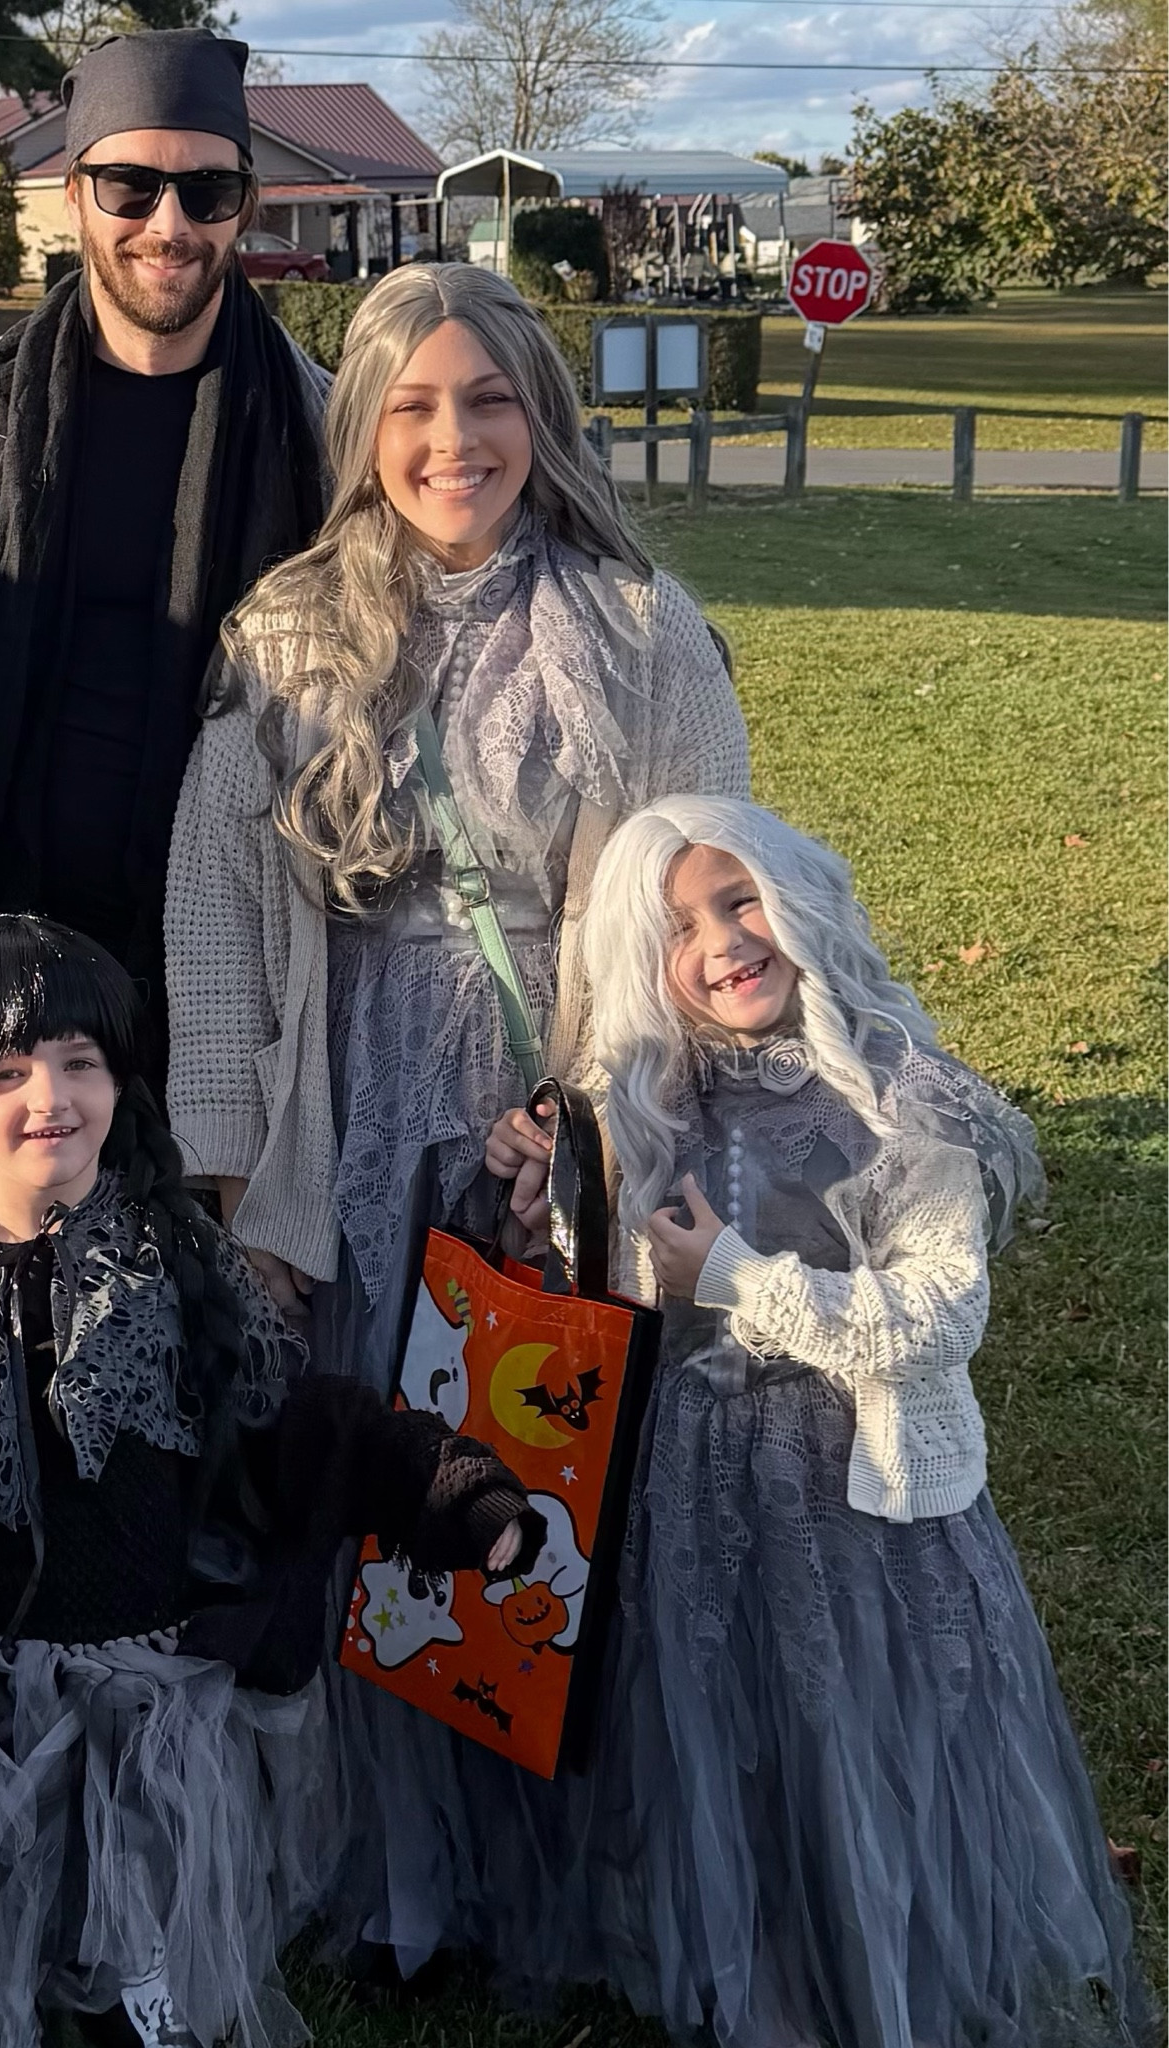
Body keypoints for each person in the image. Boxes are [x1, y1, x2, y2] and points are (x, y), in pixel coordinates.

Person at [0, 914, 537, 2048]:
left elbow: (309, 1431)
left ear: (123, 1084)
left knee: (135, 1971)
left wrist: (452, 1490)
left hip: (156, 1714)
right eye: (9, 1071)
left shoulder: (177, 1259)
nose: (51, 1098)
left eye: (83, 1063)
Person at [483, 794, 1151, 2045]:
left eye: (742, 901)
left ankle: (891, 1975)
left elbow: (934, 1319)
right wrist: (549, 1184)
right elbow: (621, 1283)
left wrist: (739, 1275)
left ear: (800, 901)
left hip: (864, 1498)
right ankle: (769, 1967)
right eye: (682, 925)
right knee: (730, 1740)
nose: (724, 941)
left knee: (863, 1736)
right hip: (695, 1489)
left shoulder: (904, 1103)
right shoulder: (651, 1094)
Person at [0, 28, 329, 1401]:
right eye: (128, 186)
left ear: (244, 205)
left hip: (223, 933)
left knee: (205, 1295)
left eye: (207, 193)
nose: (167, 224)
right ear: (70, 191)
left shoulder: (319, 431)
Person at [165, 260, 747, 1360]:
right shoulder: (289, 636)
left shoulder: (641, 627)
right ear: (365, 429)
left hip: (566, 1085)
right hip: (349, 1103)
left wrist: (597, 1126)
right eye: (414, 407)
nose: (455, 441)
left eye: (490, 399)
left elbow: (706, 901)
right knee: (373, 1435)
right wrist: (248, 1185)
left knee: (544, 1436)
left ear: (540, 411)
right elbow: (216, 928)